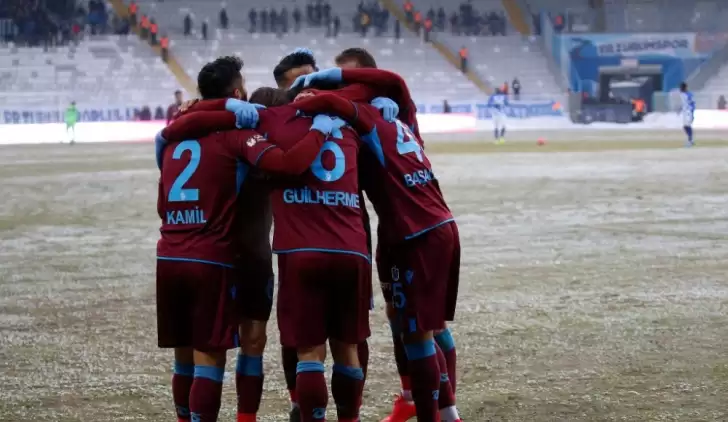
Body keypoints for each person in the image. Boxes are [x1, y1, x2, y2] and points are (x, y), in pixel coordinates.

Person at [154, 55, 343, 422]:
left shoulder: (178, 131)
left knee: (202, 348)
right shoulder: (247, 131)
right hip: (224, 255)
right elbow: (287, 161)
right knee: (219, 350)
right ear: (238, 93)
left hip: (194, 252)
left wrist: (203, 109)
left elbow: (162, 146)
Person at [292, 57, 461, 422]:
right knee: (409, 322)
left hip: (416, 231)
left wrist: (315, 90)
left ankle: (443, 414)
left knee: (419, 331)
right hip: (420, 226)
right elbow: (387, 83)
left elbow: (357, 93)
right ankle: (427, 404)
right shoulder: (400, 117)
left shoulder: (366, 117)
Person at [679, 82, 695, 147]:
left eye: (681, 88)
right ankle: (691, 139)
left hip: (688, 112)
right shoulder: (682, 94)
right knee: (685, 126)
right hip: (685, 112)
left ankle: (690, 140)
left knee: (687, 126)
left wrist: (692, 112)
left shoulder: (688, 95)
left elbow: (692, 103)